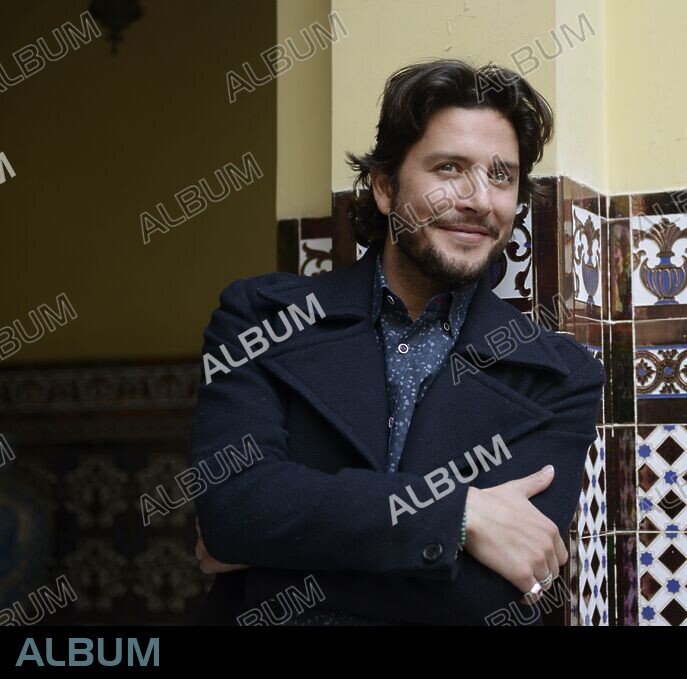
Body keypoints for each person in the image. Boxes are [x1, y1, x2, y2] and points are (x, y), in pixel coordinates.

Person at [190, 58, 605, 626]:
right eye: (449, 168)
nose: (479, 199)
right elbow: (235, 512)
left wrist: (276, 554)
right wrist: (462, 515)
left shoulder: (561, 375)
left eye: (501, 175)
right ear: (385, 188)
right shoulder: (261, 320)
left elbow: (495, 597)